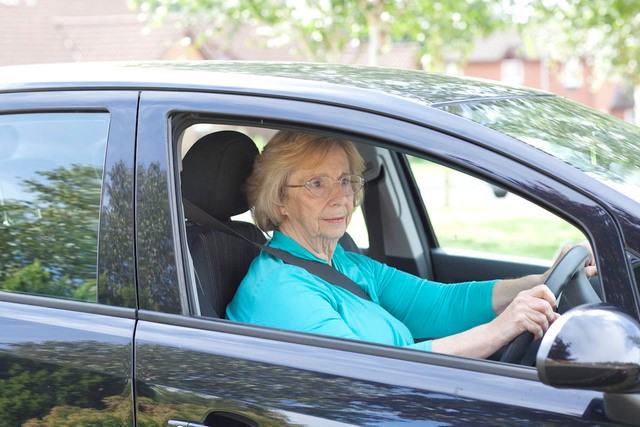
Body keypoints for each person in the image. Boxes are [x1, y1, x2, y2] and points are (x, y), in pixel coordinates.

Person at [226, 130, 597, 358]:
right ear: (279, 201)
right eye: (316, 184)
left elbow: (440, 305)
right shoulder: (279, 288)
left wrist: (545, 278)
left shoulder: (346, 264)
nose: (340, 197)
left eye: (345, 180)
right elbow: (373, 371)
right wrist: (500, 330)